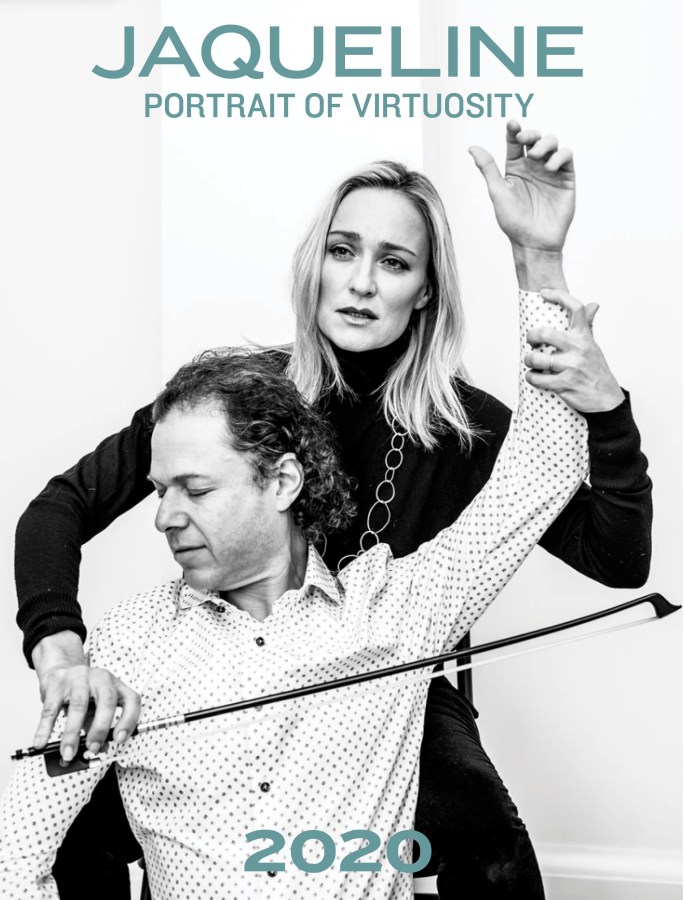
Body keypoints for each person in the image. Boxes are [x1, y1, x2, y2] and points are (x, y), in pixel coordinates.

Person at [13, 122, 652, 899]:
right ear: (314, 262)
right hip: (221, 663)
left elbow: (612, 553)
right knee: (74, 808)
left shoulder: (463, 426)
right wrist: (62, 653)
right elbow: (61, 507)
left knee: (482, 827)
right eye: (343, 251)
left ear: (426, 290)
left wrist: (543, 270)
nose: (360, 283)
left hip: (388, 675)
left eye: (394, 262)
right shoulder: (228, 406)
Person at [2, 314, 590, 898]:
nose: (164, 517)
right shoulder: (130, 641)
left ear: (283, 482)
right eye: (161, 491)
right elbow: (16, 854)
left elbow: (540, 477)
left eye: (197, 490)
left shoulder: (394, 610)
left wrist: (538, 271)